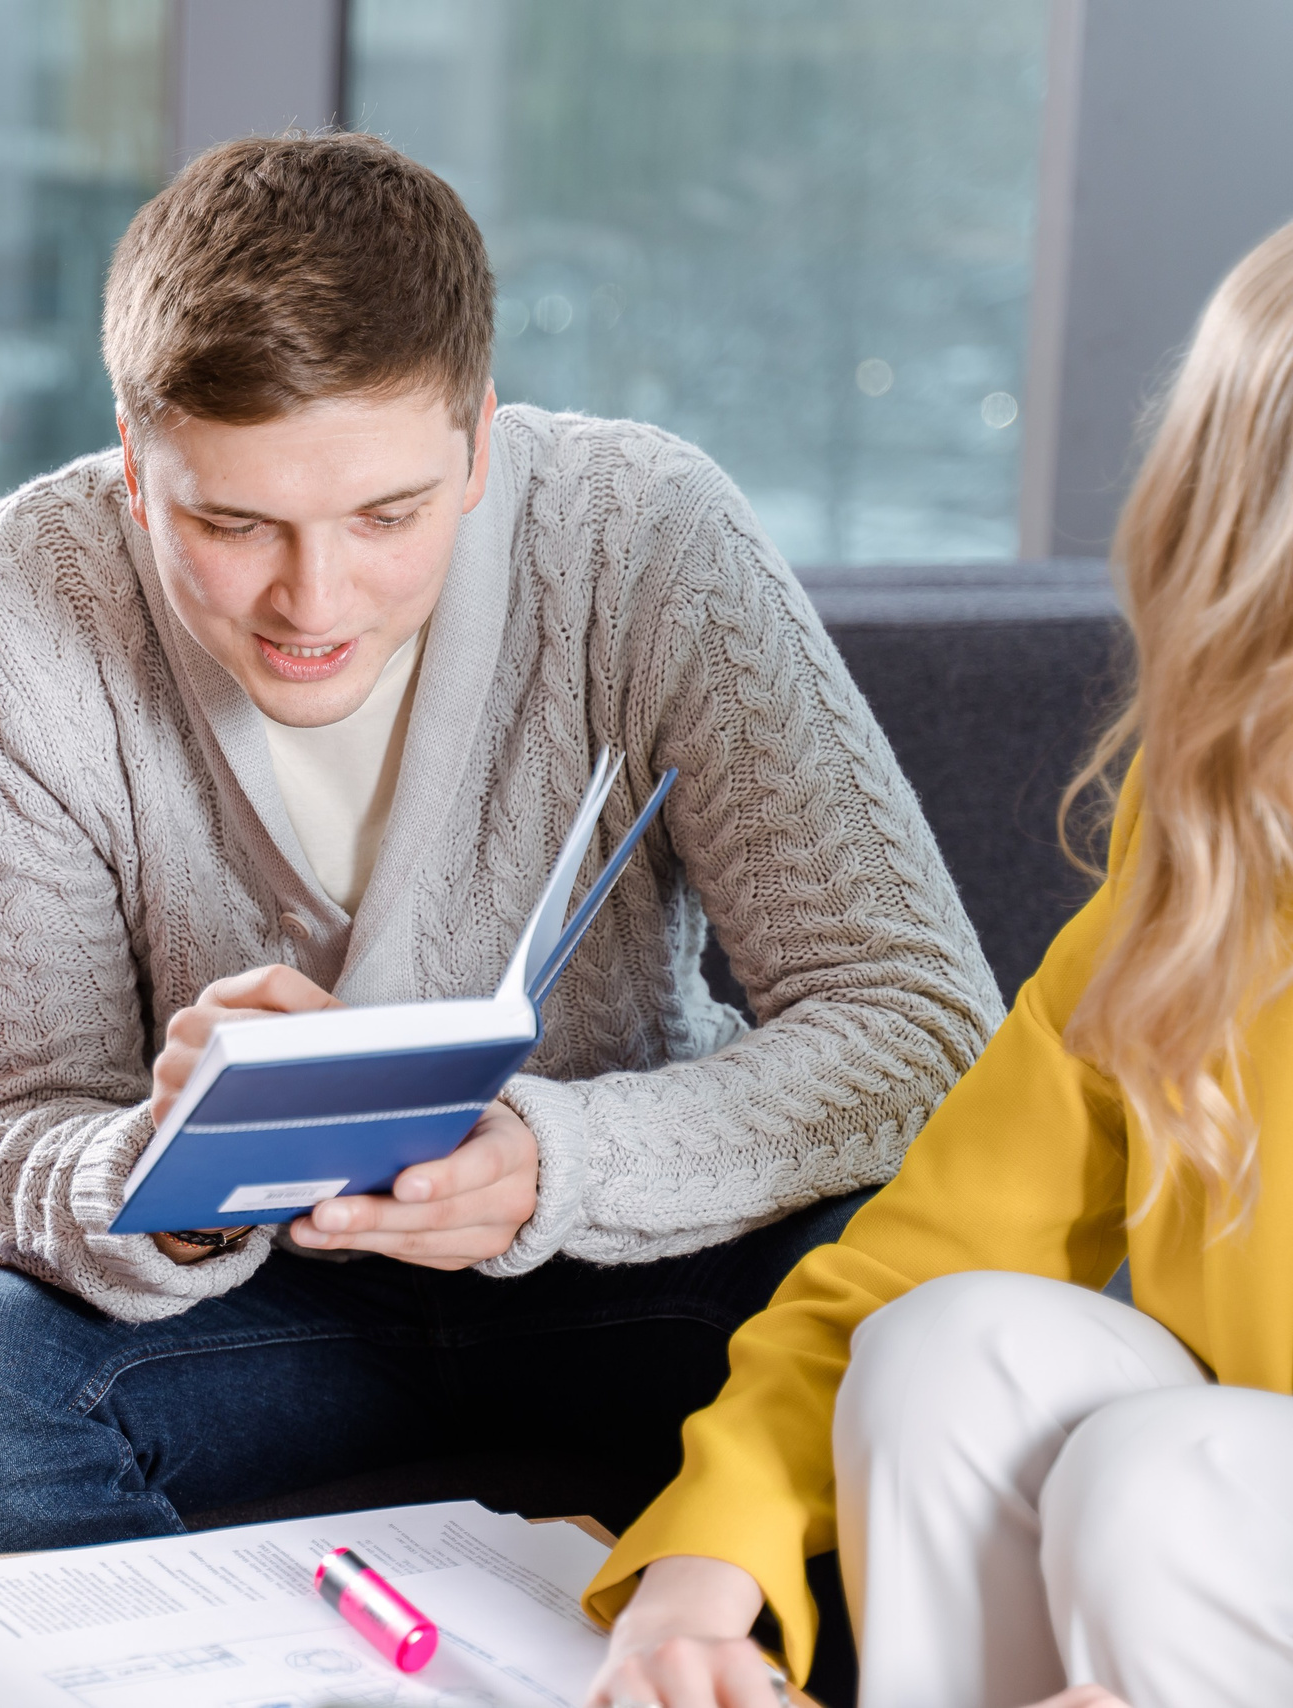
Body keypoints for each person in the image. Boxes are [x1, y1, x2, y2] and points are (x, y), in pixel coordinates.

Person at [0, 132, 1003, 1556]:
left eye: (386, 515)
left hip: (638, 1245)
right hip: (264, 1300)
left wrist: (556, 1162)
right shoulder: (15, 604)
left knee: (956, 1322)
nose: (312, 600)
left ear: (477, 444)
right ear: (137, 465)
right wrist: (163, 1174)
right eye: (234, 522)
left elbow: (922, 1024)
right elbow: (5, 1140)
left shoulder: (643, 534)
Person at [581, 219, 1293, 1708]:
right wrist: (697, 1580)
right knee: (952, 1350)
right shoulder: (1215, 870)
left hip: (1215, 1521)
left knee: (1172, 1476)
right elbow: (925, 1254)